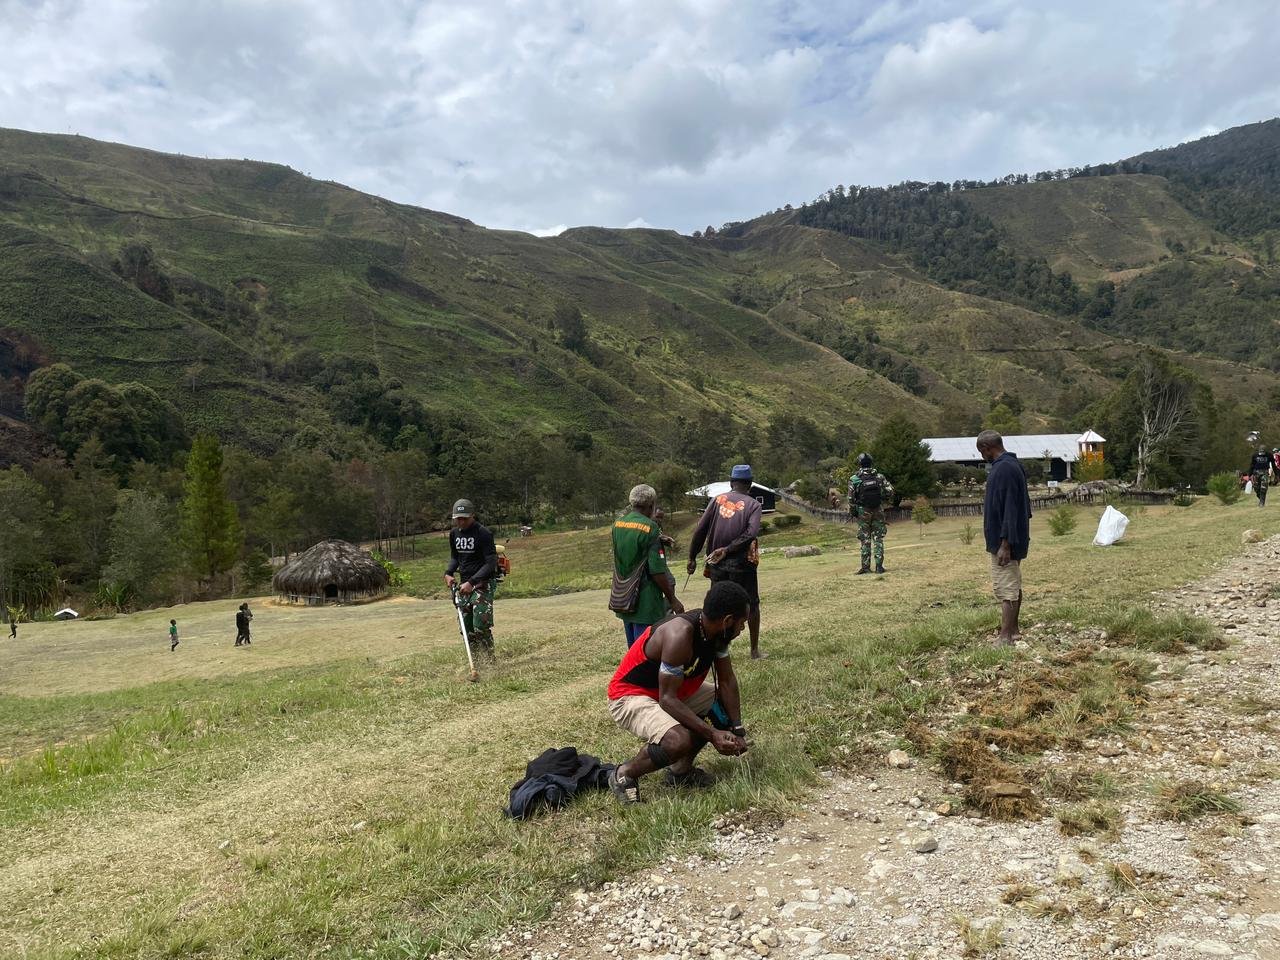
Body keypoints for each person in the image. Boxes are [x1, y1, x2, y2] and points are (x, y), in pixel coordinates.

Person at [605, 581, 751, 804]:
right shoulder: (679, 635)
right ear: (728, 621)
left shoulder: (718, 634)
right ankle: (624, 774)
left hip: (668, 692)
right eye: (742, 623)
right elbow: (667, 699)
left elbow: (727, 681)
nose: (742, 629)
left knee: (719, 704)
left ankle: (680, 771)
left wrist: (736, 728)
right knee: (677, 740)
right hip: (630, 696)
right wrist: (712, 734)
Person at [687, 464, 765, 659]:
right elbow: (751, 533)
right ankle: (754, 651)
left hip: (717, 564)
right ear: (750, 484)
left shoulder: (717, 500)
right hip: (742, 565)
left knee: (717, 605)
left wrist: (692, 557)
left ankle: (712, 649)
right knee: (752, 604)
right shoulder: (754, 505)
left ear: (731, 482)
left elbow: (700, 530)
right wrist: (729, 549)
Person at [978, 430, 1032, 646]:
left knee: (1007, 587)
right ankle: (1014, 630)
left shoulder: (1004, 469)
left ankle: (1005, 637)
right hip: (1012, 537)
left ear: (987, 448)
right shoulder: (1012, 465)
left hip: (1006, 542)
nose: (982, 457)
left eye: (981, 452)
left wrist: (1005, 544)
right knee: (1013, 583)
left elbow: (1010, 507)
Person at [612, 486, 683, 647]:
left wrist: (659, 540)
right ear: (651, 505)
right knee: (644, 649)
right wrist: (673, 600)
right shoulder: (651, 527)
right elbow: (657, 571)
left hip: (624, 595)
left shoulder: (618, 524)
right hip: (646, 599)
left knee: (632, 650)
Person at [443, 498, 500, 660]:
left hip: (483, 583)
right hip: (464, 584)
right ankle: (475, 660)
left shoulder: (483, 533)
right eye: (458, 519)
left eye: (464, 518)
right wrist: (448, 572)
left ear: (472, 516)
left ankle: (489, 660)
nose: (460, 522)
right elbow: (455, 557)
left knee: (481, 623)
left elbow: (491, 563)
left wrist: (472, 582)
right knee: (466, 624)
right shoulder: (454, 534)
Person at [848, 452, 895, 575]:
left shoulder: (855, 479)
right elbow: (890, 492)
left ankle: (865, 567)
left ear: (859, 463)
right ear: (871, 463)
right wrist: (881, 498)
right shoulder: (879, 477)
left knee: (865, 539)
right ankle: (879, 567)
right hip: (878, 510)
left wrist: (854, 512)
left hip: (863, 511)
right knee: (878, 538)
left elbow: (850, 499)